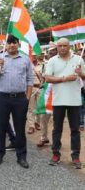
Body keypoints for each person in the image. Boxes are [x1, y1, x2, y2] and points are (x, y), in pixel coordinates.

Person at [0, 34, 33, 169]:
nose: (12, 45)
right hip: (2, 98)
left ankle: (21, 156)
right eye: (9, 43)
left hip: (20, 99)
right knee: (1, 127)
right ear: (6, 45)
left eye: (14, 42)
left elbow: (30, 80)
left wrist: (27, 98)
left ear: (18, 44)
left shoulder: (25, 60)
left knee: (20, 128)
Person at [45, 37, 85, 169]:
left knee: (75, 130)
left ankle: (75, 156)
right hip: (58, 100)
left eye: (64, 46)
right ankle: (56, 154)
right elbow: (48, 78)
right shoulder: (52, 60)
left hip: (74, 100)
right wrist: (64, 78)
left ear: (69, 47)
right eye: (59, 46)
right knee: (57, 129)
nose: (62, 48)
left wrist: (81, 74)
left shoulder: (78, 60)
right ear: (57, 47)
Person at [36, 42, 57, 147]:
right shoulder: (45, 65)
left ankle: (56, 141)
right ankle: (43, 137)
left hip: (59, 94)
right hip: (47, 94)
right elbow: (43, 80)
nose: (52, 52)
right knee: (44, 117)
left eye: (54, 50)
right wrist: (41, 83)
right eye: (50, 50)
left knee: (57, 119)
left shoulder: (64, 63)